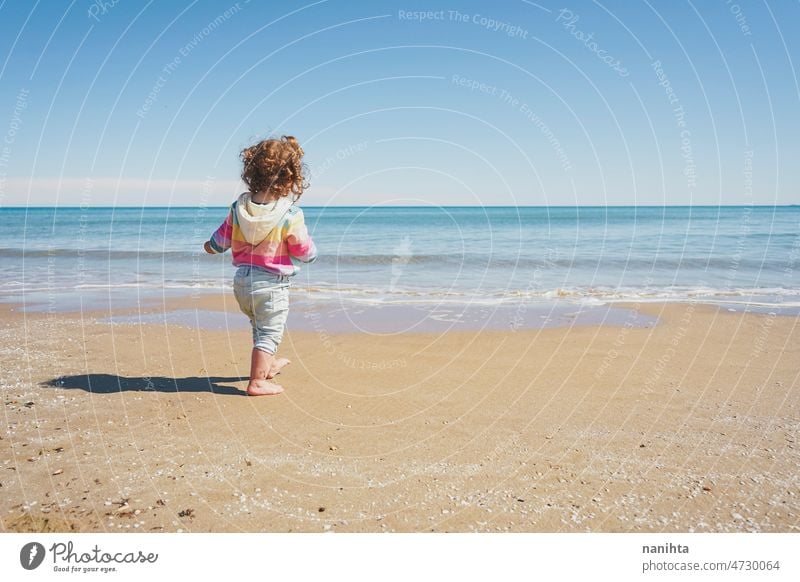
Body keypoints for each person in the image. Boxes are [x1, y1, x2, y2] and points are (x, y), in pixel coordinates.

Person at [204, 135, 317, 395]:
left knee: (260, 325)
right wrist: (311, 253)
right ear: (291, 178)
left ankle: (266, 366)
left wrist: (209, 246)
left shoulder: (239, 207)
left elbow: (221, 241)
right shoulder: (290, 214)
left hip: (242, 282)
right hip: (271, 285)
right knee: (269, 331)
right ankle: (257, 382)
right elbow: (302, 249)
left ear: (251, 172)